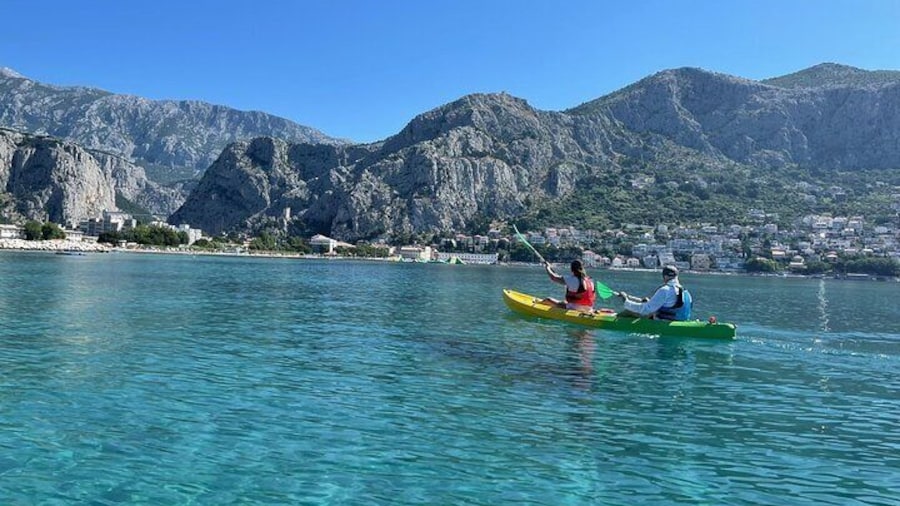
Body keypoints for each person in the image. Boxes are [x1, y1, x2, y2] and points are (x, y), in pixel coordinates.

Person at [616, 265, 693, 320]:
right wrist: (648, 302)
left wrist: (626, 300)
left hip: (664, 322)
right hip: (682, 320)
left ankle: (613, 320)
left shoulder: (665, 290)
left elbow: (645, 310)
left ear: (665, 276)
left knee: (628, 311)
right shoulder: (686, 292)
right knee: (646, 302)